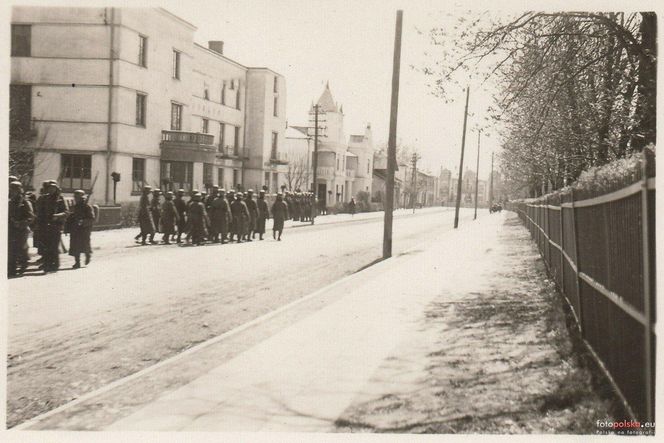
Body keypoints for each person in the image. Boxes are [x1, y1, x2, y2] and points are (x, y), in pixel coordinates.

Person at [36, 180, 68, 273]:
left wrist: (57, 216)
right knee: (45, 246)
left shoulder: (60, 199)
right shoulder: (43, 198)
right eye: (49, 188)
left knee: (53, 246)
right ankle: (47, 264)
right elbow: (39, 211)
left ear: (56, 189)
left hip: (56, 226)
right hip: (45, 225)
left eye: (53, 188)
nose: (51, 190)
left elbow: (66, 212)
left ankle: (55, 265)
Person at [8, 181, 34, 277]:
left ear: (19, 190)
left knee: (19, 249)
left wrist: (21, 223)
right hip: (11, 229)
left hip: (21, 230)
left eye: (15, 189)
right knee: (11, 250)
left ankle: (23, 264)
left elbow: (30, 217)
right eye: (11, 189)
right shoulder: (9, 202)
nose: (12, 191)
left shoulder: (25, 202)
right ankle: (11, 270)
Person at [65, 189, 95, 268]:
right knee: (75, 246)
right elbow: (69, 218)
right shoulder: (73, 207)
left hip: (84, 229)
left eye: (78, 197)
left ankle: (87, 255)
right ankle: (77, 262)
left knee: (85, 244)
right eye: (75, 197)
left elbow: (91, 218)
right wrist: (66, 229)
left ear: (82, 198)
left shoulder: (87, 207)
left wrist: (83, 221)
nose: (76, 199)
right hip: (75, 229)